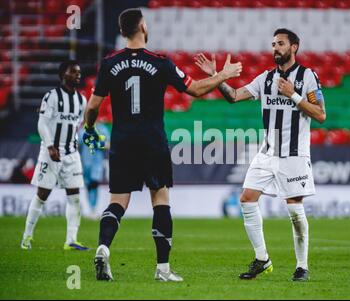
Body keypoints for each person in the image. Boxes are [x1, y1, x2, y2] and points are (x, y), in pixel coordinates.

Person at [83, 8, 242, 282]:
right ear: (143, 26)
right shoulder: (160, 63)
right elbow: (196, 89)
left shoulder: (109, 64)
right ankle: (163, 270)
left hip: (122, 141)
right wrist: (223, 75)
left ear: (122, 32)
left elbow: (93, 107)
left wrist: (88, 128)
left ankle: (102, 248)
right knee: (161, 200)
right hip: (152, 140)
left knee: (118, 201)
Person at [195, 28, 325, 281]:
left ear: (294, 47)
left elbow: (320, 114)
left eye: (281, 43)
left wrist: (294, 95)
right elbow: (233, 96)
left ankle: (302, 266)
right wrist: (215, 76)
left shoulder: (308, 77)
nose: (275, 48)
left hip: (295, 155)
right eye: (273, 44)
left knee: (295, 210)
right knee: (246, 198)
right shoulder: (264, 79)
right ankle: (262, 259)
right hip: (267, 153)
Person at [20, 60, 89, 251]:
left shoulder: (81, 100)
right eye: (74, 72)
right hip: (51, 153)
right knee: (42, 195)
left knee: (74, 197)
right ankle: (27, 237)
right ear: (63, 75)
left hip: (71, 154)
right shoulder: (51, 96)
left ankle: (71, 240)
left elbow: (81, 124)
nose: (78, 75)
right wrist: (50, 146)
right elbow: (42, 124)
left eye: (79, 72)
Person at [79, 121, 110, 218]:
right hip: (85, 162)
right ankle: (89, 208)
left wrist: (96, 143)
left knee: (94, 184)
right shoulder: (83, 129)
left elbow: (108, 144)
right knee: (88, 185)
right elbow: (77, 145)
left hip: (97, 163)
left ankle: (94, 208)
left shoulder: (101, 128)